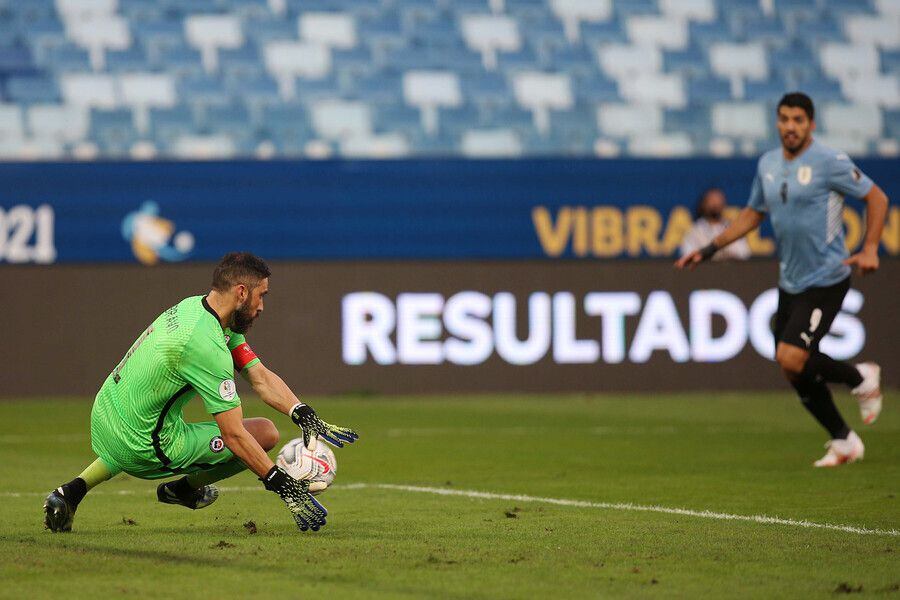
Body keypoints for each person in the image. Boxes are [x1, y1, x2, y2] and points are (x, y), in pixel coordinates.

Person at [44, 252, 358, 532]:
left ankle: (70, 492)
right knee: (263, 434)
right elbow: (234, 436)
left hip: (106, 414)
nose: (262, 307)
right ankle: (182, 490)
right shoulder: (205, 346)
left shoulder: (196, 309)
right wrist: (279, 482)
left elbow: (259, 376)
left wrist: (301, 412)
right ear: (241, 292)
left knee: (149, 421)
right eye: (261, 296)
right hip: (142, 446)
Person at [676, 92, 888, 467]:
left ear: (811, 125)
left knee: (791, 355)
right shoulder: (768, 164)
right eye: (784, 119)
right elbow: (752, 215)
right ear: (777, 122)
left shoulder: (829, 161)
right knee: (790, 365)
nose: (790, 127)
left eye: (798, 120)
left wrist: (870, 247)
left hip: (826, 278)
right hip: (791, 281)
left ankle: (860, 376)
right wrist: (708, 250)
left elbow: (877, 199)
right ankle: (844, 441)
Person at [680, 187, 751, 260]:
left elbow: (744, 253)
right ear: (703, 204)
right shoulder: (694, 231)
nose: (715, 204)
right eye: (712, 200)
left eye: (719, 200)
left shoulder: (732, 229)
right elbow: (688, 254)